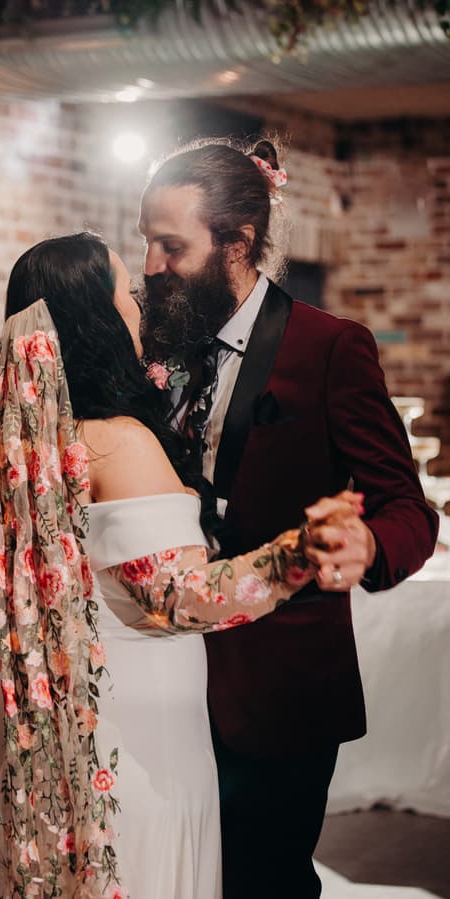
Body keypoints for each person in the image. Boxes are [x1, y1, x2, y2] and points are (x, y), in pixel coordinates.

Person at [0, 232, 361, 899]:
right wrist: (296, 554)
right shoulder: (117, 442)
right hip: (139, 744)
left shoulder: (32, 443)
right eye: (125, 292)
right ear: (97, 314)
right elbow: (178, 598)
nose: (138, 305)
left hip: (65, 733)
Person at [138, 138, 440, 899]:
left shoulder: (331, 347)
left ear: (237, 240)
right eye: (145, 241)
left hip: (278, 691)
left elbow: (409, 506)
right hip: (163, 681)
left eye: (170, 245)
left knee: (263, 882)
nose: (150, 264)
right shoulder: (156, 341)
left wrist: (370, 541)